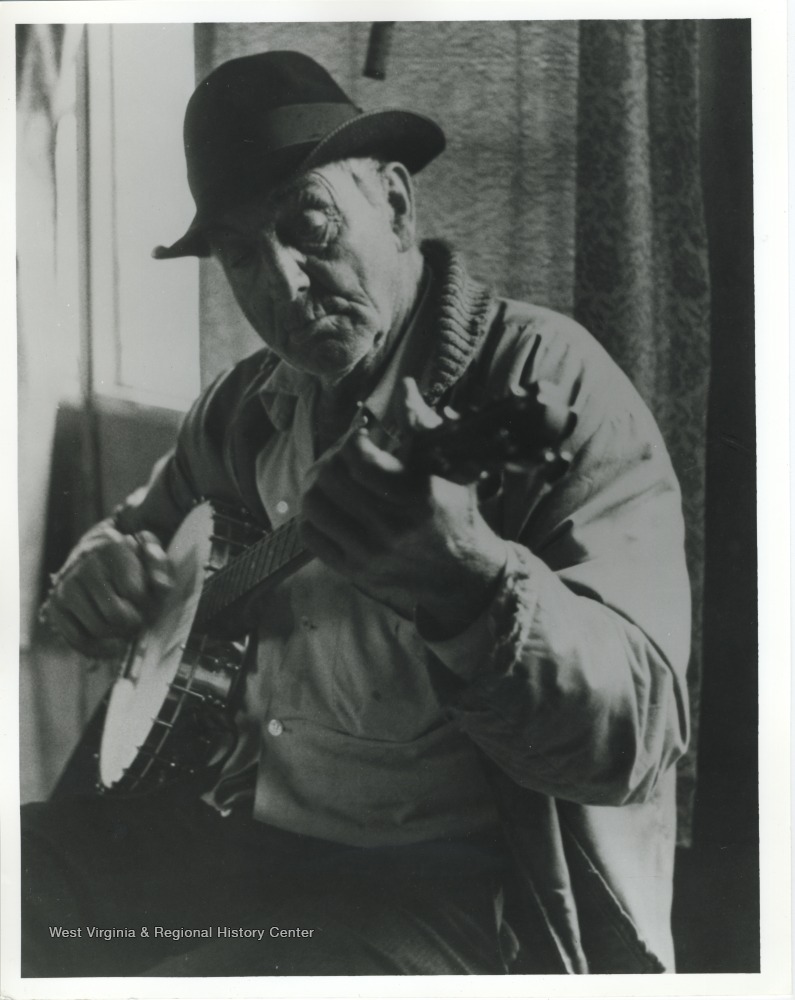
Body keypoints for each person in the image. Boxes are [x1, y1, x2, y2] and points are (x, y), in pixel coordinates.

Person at [23, 50, 691, 977]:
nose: (283, 284)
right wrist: (98, 563)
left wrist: (470, 585)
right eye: (241, 256)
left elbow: (637, 742)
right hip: (241, 837)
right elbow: (143, 523)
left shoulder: (550, 381)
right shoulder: (242, 407)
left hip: (457, 891)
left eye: (308, 224)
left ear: (396, 204)